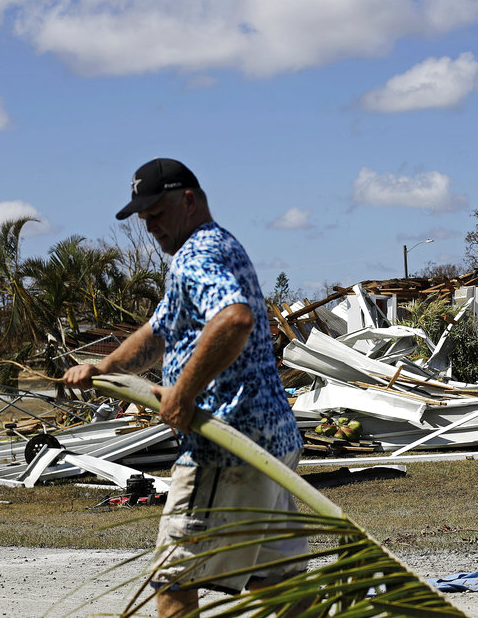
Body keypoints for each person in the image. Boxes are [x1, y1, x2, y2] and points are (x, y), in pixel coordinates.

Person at [64, 157, 305, 617]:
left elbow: (235, 318)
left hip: (224, 445)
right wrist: (106, 367)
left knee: (174, 579)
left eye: (156, 214)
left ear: (188, 201)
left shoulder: (198, 255)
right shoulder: (216, 249)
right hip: (272, 440)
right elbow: (159, 331)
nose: (149, 226)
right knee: (279, 582)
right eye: (143, 217)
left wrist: (183, 391)